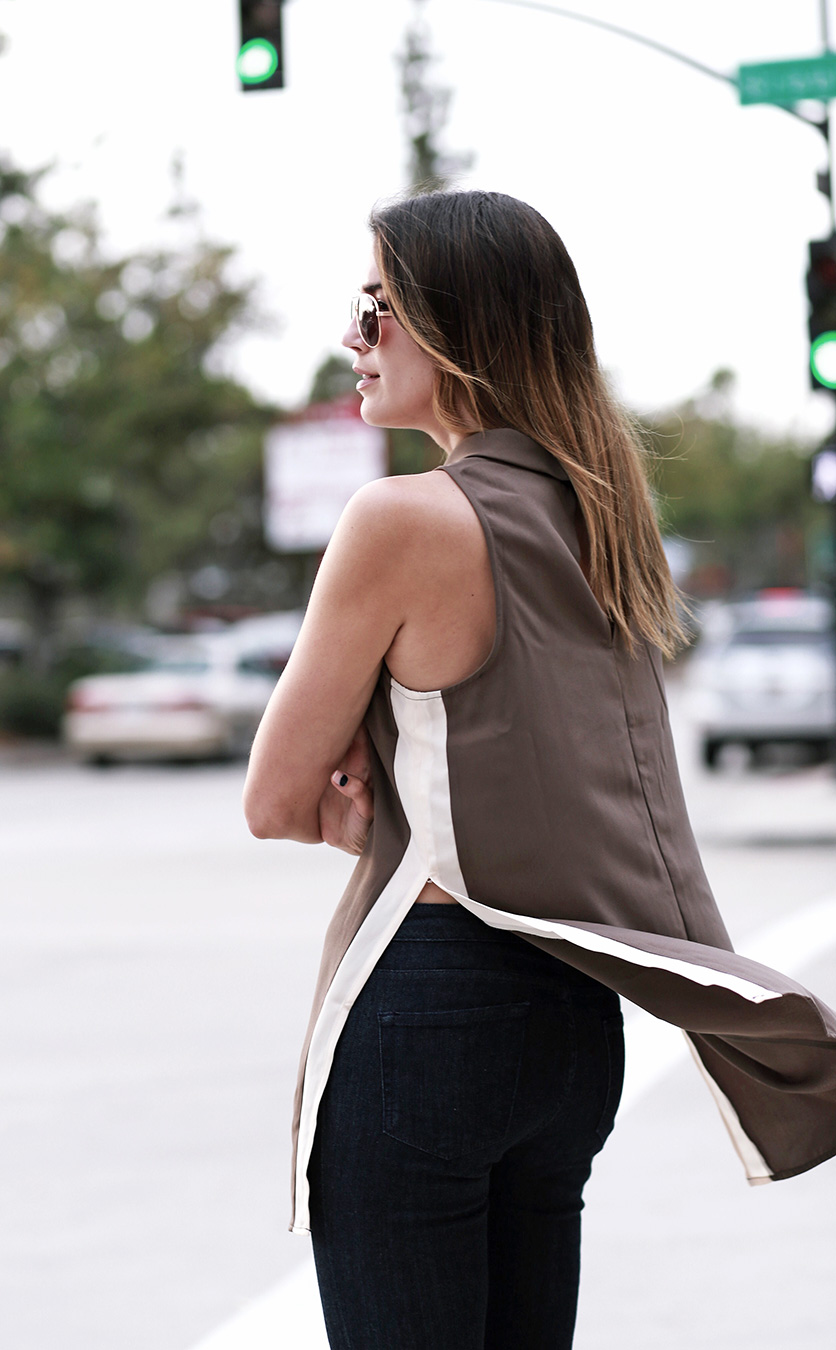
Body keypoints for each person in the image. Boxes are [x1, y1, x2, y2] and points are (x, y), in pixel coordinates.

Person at [243, 190, 836, 1350]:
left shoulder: (400, 521)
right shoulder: (601, 517)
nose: (353, 339)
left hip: (428, 1004)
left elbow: (274, 799)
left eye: (375, 308)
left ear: (456, 325)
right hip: (570, 1017)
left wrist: (381, 813)